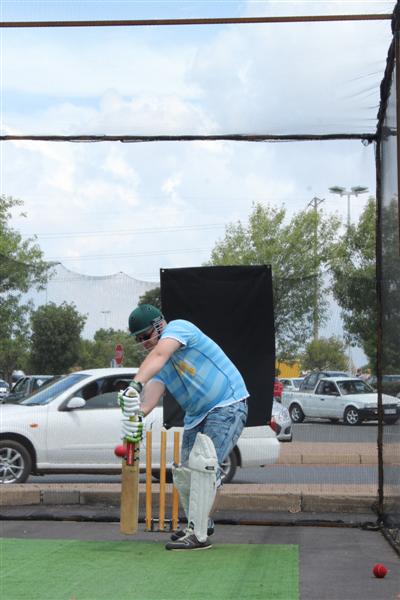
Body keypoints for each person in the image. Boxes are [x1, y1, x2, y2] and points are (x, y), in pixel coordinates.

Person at [118, 303, 249, 551]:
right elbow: (150, 397)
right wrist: (136, 414)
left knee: (204, 468)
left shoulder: (180, 328)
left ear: (159, 325)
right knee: (185, 474)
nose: (144, 343)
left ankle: (199, 535)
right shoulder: (160, 363)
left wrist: (134, 385)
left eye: (146, 336)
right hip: (196, 416)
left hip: (226, 404)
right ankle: (198, 524)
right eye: (138, 339)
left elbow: (158, 356)